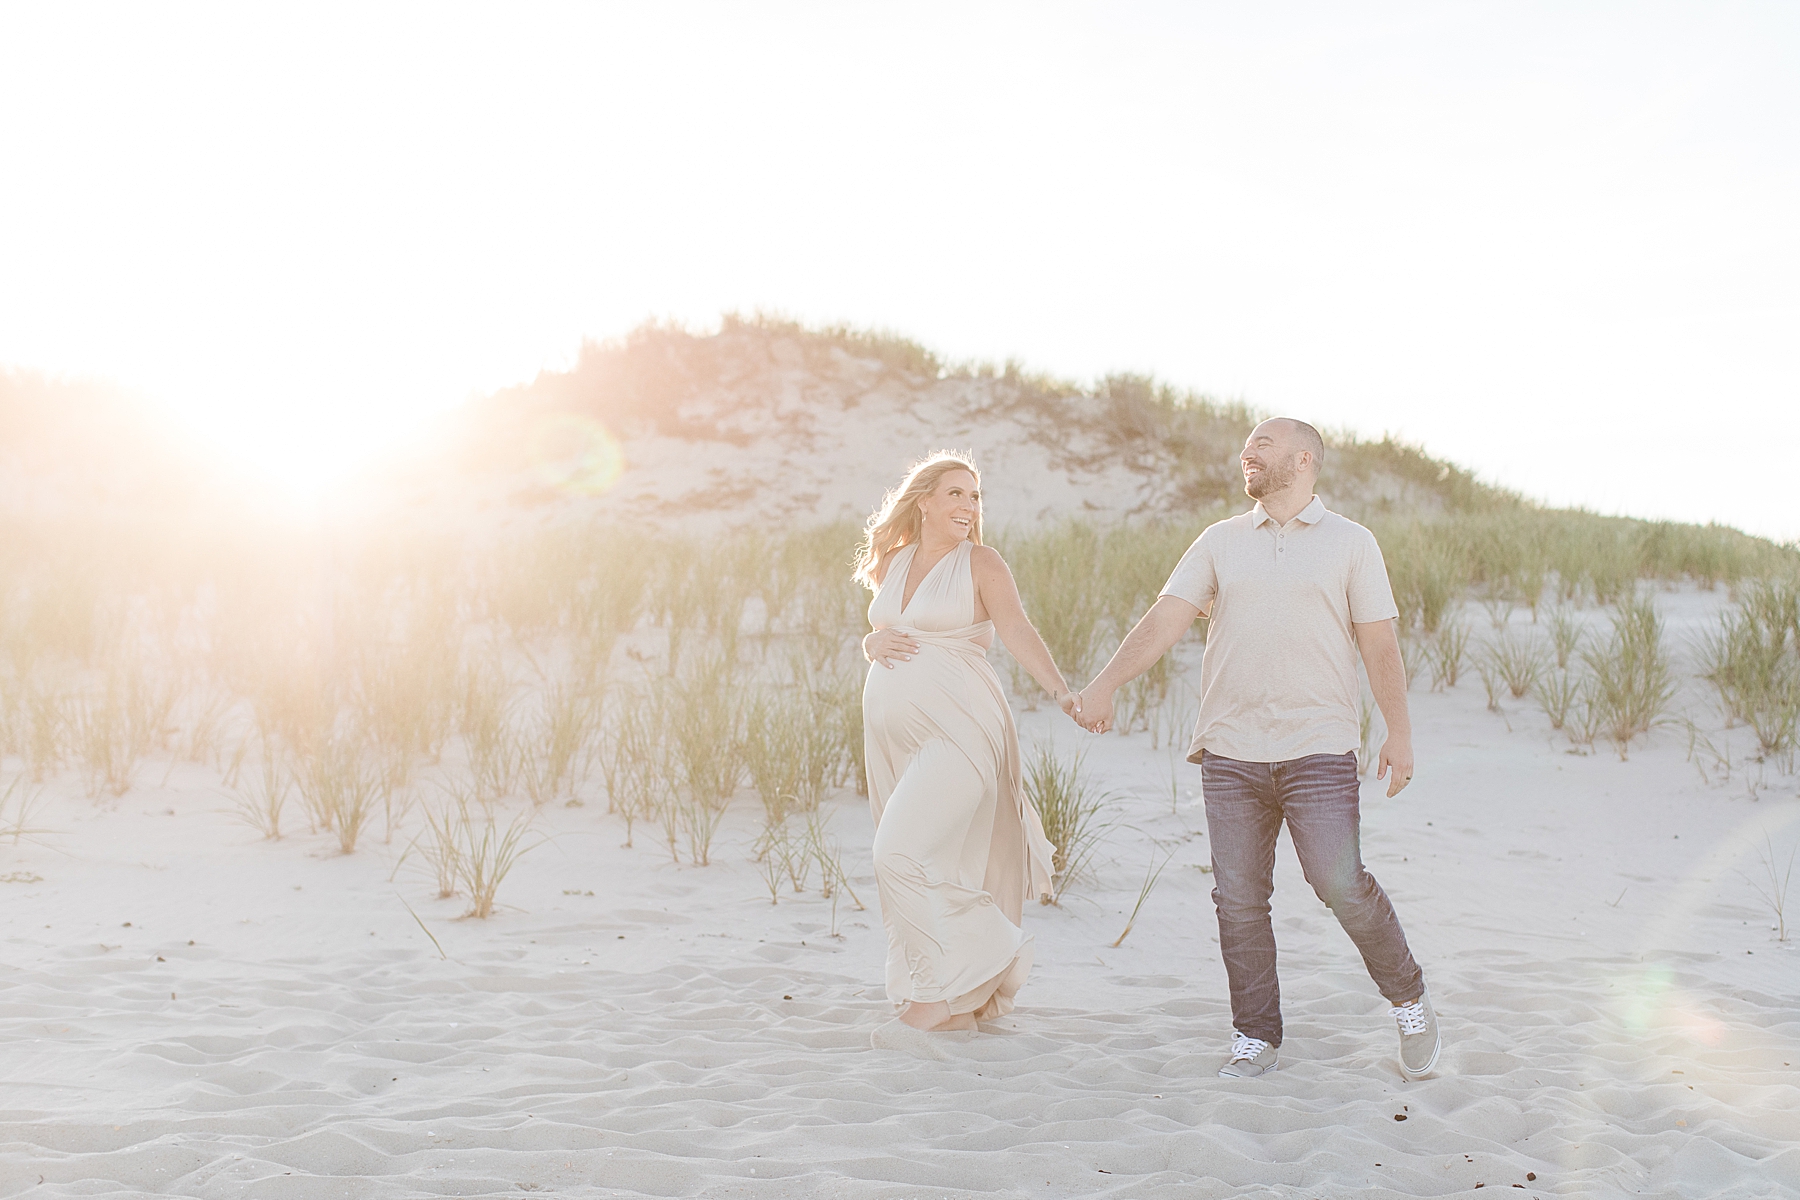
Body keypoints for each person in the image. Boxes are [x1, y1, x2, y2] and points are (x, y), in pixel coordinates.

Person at [1074, 418, 1440, 1080]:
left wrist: (1400, 731)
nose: (1248, 452)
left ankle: (1409, 999)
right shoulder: (1219, 541)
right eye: (1247, 445)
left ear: (1303, 460)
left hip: (1318, 747)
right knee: (1238, 898)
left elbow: (1379, 643)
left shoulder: (1352, 543)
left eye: (1263, 444)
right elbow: (1164, 619)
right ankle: (1255, 1035)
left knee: (1341, 885)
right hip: (1231, 751)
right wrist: (1104, 683)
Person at [855, 452, 1073, 1053]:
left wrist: (1061, 691)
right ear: (923, 500)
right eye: (955, 494)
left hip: (962, 730)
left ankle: (976, 965)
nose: (968, 507)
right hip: (896, 739)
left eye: (974, 498)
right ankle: (954, 1003)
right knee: (929, 858)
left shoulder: (982, 563)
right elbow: (892, 630)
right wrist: (870, 641)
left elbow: (1018, 631)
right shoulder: (894, 563)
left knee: (895, 853)